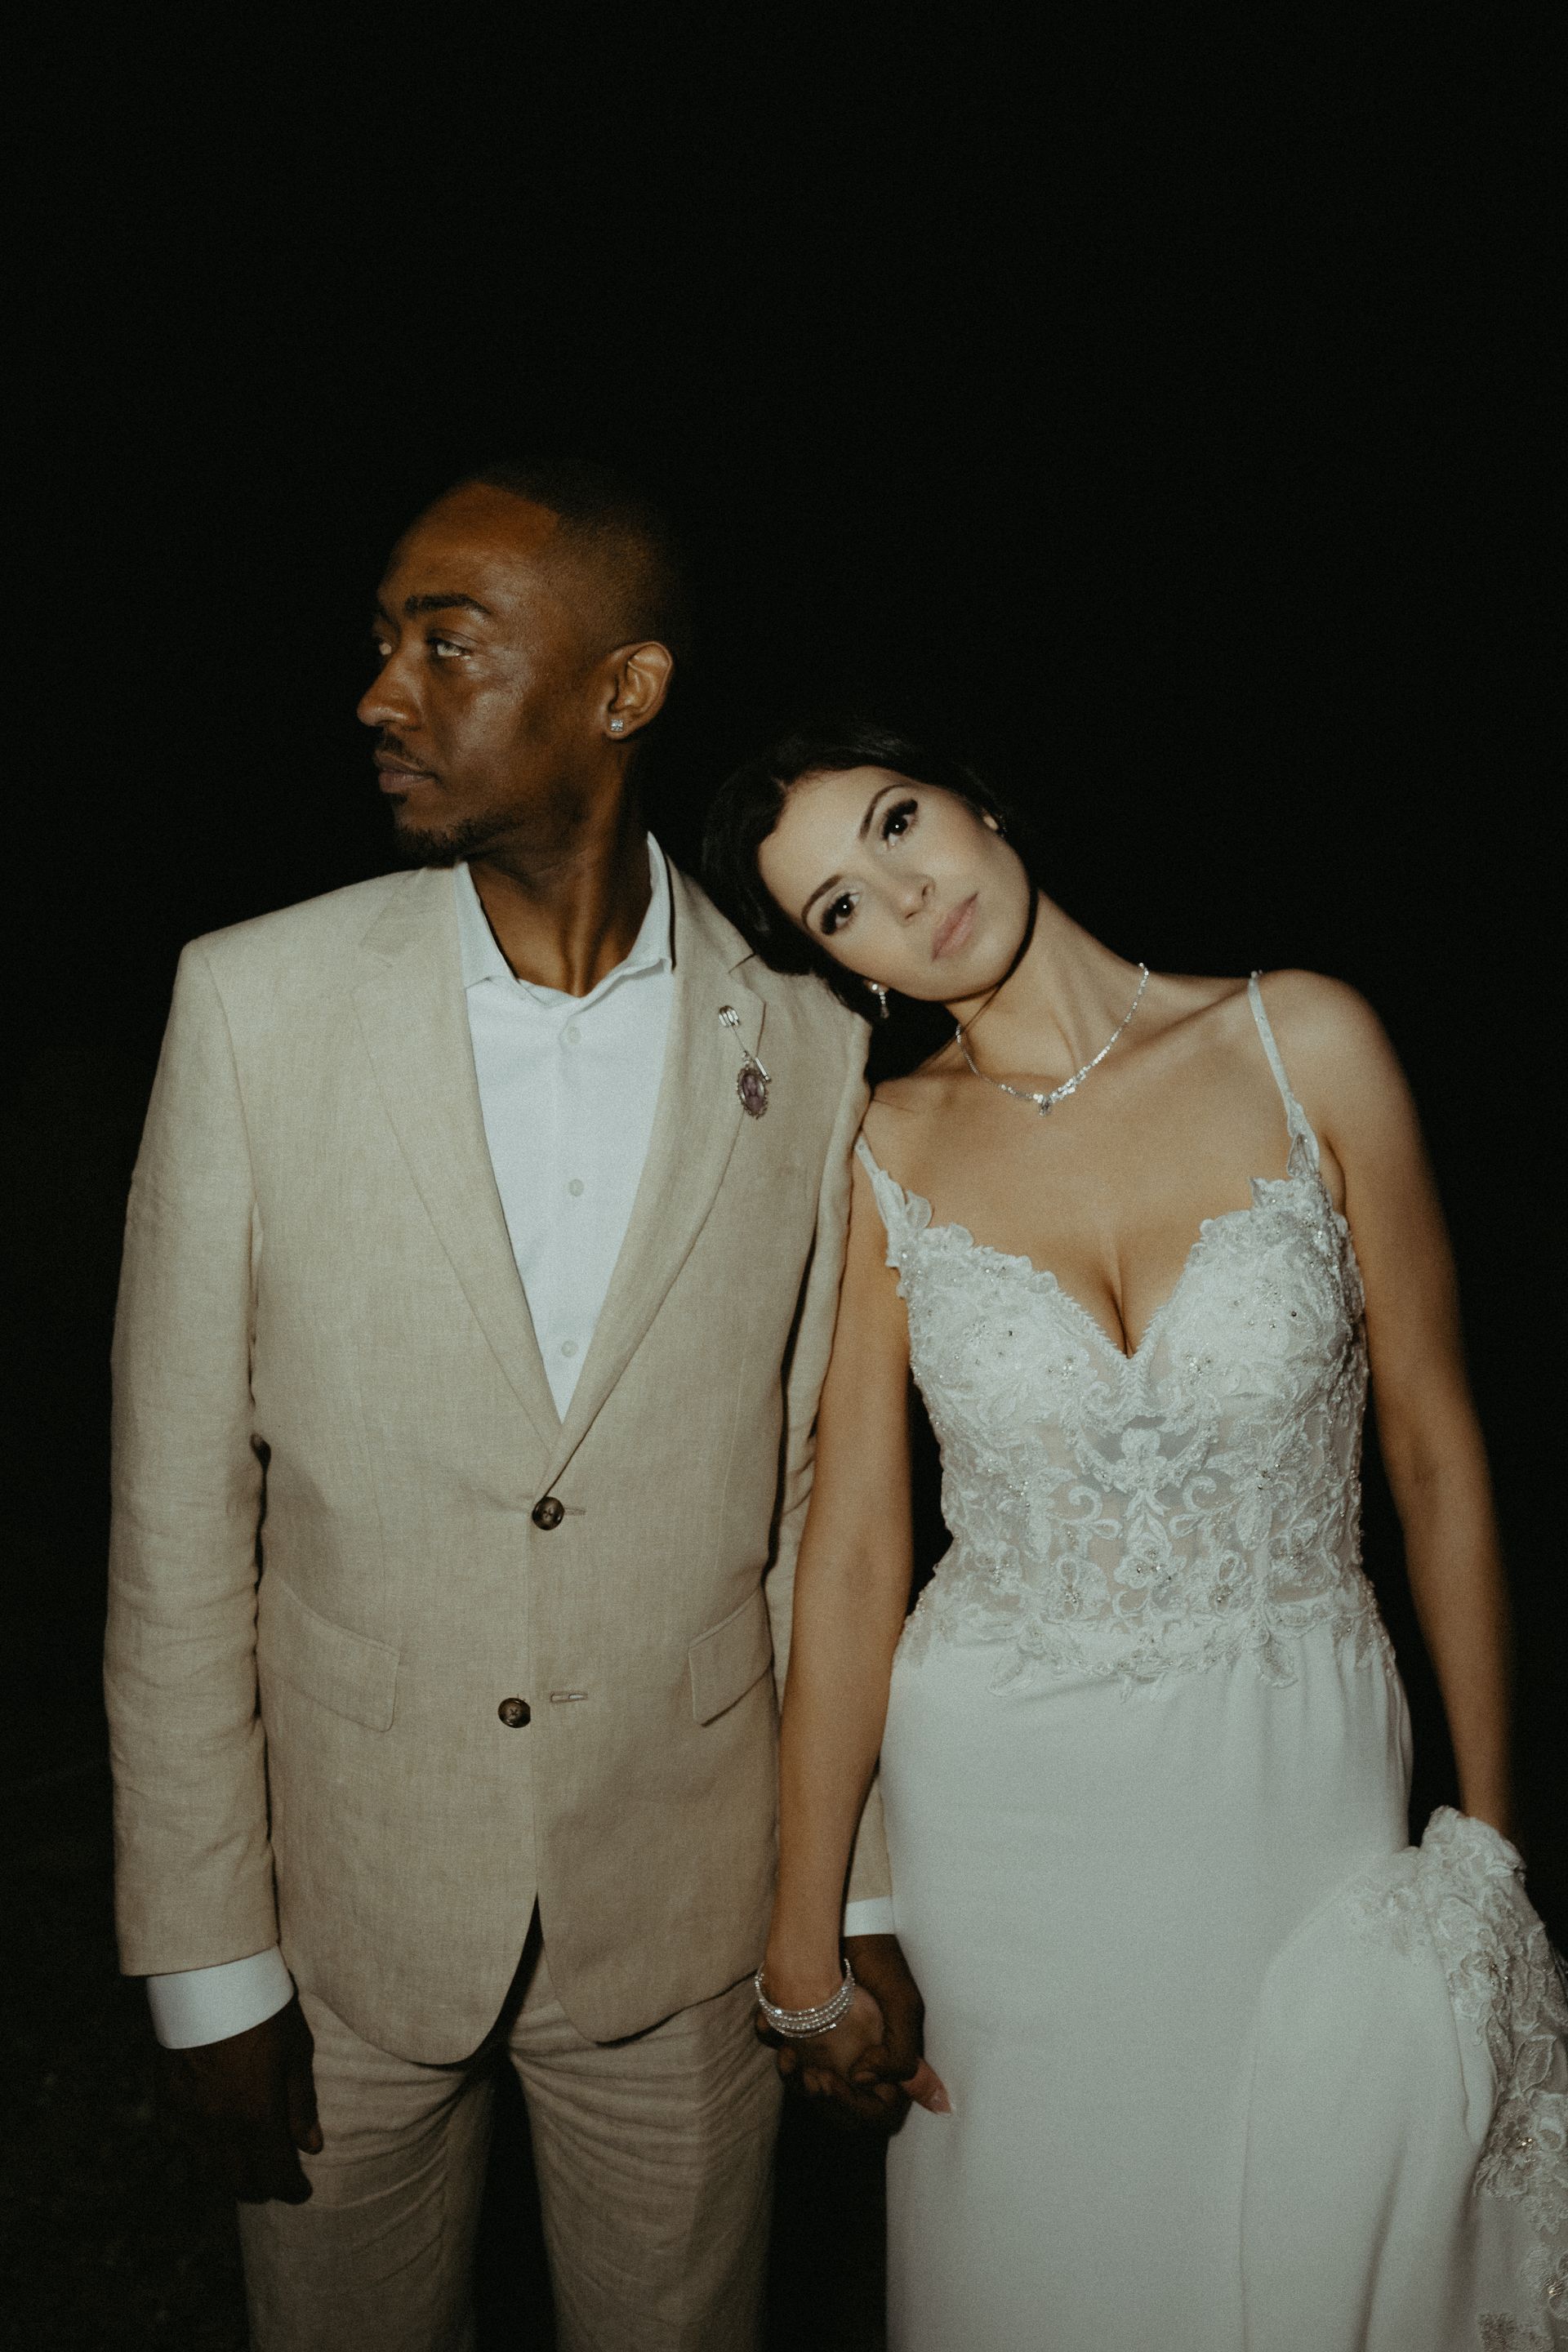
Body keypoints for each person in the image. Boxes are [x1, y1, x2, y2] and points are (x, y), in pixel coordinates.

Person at [103, 472, 914, 2352]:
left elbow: (819, 1510)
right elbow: (171, 1524)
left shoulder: (810, 1042)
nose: (384, 694)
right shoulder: (252, 1002)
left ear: (624, 691)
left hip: (690, 1924)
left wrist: (846, 1884)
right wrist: (208, 1967)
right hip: (344, 1926)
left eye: (447, 645)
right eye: (383, 642)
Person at [702, 722, 1568, 2351]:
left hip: (1299, 1774)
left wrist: (1493, 1840)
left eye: (898, 824)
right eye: (838, 907)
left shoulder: (1306, 1038)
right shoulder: (881, 1149)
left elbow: (1439, 1453)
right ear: (842, 969)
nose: (903, 893)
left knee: (1335, 2245)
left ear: (977, 798)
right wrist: (802, 1940)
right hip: (1008, 1818)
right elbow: (855, 1557)